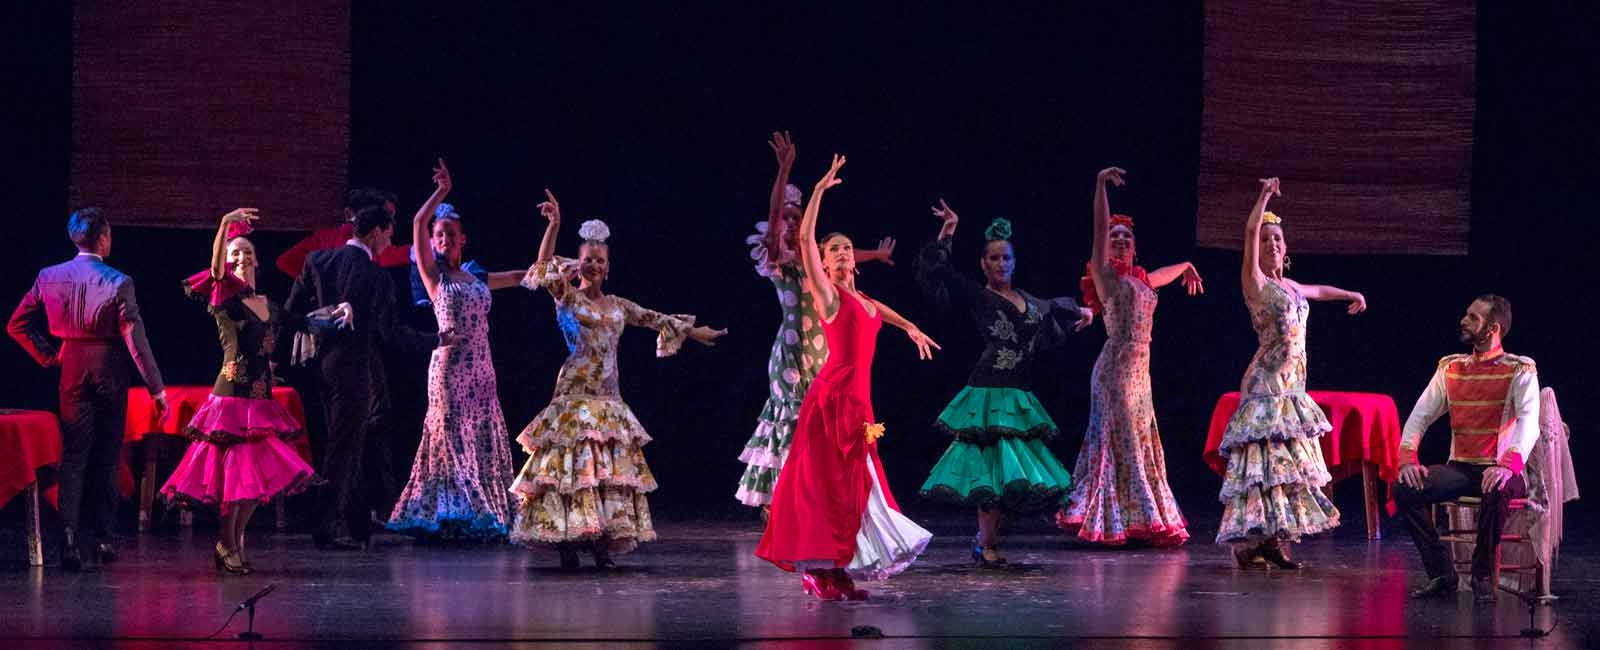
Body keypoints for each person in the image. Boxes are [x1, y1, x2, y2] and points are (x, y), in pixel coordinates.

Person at [756, 154, 937, 601]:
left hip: (859, 404)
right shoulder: (827, 293)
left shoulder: (863, 299)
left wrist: (910, 326)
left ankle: (838, 565)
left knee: (855, 487)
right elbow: (803, 235)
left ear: (854, 260)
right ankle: (816, 567)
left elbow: (879, 312)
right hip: (831, 399)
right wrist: (817, 192)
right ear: (824, 260)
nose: (839, 253)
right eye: (832, 249)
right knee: (827, 485)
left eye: (845, 249)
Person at [509, 203, 727, 569]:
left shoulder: (618, 305)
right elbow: (544, 268)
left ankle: (601, 542)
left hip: (608, 398)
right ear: (578, 264)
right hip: (574, 396)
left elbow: (656, 318)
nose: (594, 265)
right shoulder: (568, 296)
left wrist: (694, 331)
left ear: (607, 268)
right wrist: (555, 225)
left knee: (605, 473)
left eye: (600, 261)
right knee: (571, 473)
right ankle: (566, 542)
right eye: (588, 259)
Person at [161, 209, 345, 573]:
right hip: (230, 399)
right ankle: (227, 544)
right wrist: (224, 225)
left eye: (247, 253)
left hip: (260, 401)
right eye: (235, 255)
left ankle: (230, 542)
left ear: (257, 261)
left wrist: (338, 311)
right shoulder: (225, 302)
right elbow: (215, 274)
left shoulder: (271, 307)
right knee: (234, 484)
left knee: (254, 484)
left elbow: (305, 322)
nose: (241, 259)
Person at [915, 201, 1091, 566]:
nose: (1001, 264)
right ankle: (986, 543)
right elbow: (937, 272)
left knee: (1012, 474)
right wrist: (949, 230)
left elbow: (1054, 309)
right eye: (994, 258)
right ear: (983, 264)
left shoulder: (1029, 301)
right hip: (988, 391)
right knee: (991, 472)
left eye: (1006, 258)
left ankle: (985, 540)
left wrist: (1085, 311)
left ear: (1014, 262)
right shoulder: (980, 296)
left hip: (1018, 394)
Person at [736, 131, 895, 513]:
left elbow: (843, 254)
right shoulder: (780, 261)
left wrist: (875, 254)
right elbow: (774, 223)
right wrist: (785, 169)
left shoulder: (819, 266)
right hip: (790, 354)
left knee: (823, 425)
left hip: (823, 354)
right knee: (792, 421)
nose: (790, 223)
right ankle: (780, 501)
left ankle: (817, 495)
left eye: (796, 216)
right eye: (786, 218)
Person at [1214, 178, 1367, 568]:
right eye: (1266, 240)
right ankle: (1254, 541)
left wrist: (1352, 294)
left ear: (1287, 247)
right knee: (1264, 467)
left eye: (1278, 238)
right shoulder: (1257, 283)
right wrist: (1263, 195)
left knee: (1286, 470)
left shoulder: (1292, 286)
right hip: (1265, 386)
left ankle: (1273, 542)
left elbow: (1320, 290)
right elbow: (1248, 231)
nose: (1272, 244)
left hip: (1293, 387)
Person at [8, 207, 168, 571]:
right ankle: (103, 538)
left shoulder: (48, 276)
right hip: (109, 368)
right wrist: (157, 389)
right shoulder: (118, 280)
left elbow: (16, 324)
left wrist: (49, 357)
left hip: (72, 368)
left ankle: (67, 538)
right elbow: (136, 343)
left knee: (75, 456)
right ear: (103, 237)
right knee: (108, 456)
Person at [286, 201, 441, 550]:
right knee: (344, 448)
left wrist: (318, 320)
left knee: (347, 443)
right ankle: (324, 526)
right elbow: (391, 333)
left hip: (321, 366)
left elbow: (292, 313)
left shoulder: (318, 261)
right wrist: (436, 339)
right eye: (388, 234)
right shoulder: (375, 275)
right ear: (374, 233)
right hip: (354, 368)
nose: (389, 241)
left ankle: (357, 524)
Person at [1057, 167, 1198, 547]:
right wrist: (1100, 184)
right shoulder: (1106, 277)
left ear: (1135, 248)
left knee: (1138, 439)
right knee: (1122, 441)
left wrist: (1185, 265)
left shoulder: (1142, 280)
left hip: (1141, 376)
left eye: (1126, 238)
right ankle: (1114, 519)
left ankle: (1134, 516)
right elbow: (1099, 230)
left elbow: (1163, 275)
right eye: (1114, 238)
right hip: (1115, 371)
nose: (1118, 241)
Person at [387, 160, 524, 540]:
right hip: (449, 369)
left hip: (482, 371)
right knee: (449, 438)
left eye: (450, 234)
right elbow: (417, 224)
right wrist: (441, 193)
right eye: (439, 235)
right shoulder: (434, 277)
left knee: (480, 437)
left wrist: (561, 269)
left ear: (463, 239)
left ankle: (482, 510)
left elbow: (517, 277)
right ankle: (447, 513)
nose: (444, 239)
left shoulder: (475, 276)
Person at [1395, 295, 1538, 602]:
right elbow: (1420, 415)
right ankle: (1442, 573)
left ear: (1493, 328)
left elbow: (1529, 422)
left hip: (1502, 467)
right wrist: (1408, 459)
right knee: (1405, 488)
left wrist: (1506, 465)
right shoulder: (1452, 367)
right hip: (1461, 467)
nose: (1464, 320)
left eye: (1473, 317)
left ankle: (1482, 575)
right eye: (1466, 315)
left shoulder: (1519, 370)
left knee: (1497, 488)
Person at [274, 187, 412, 278]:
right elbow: (286, 262)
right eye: (386, 215)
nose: (390, 225)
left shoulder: (325, 236)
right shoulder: (342, 238)